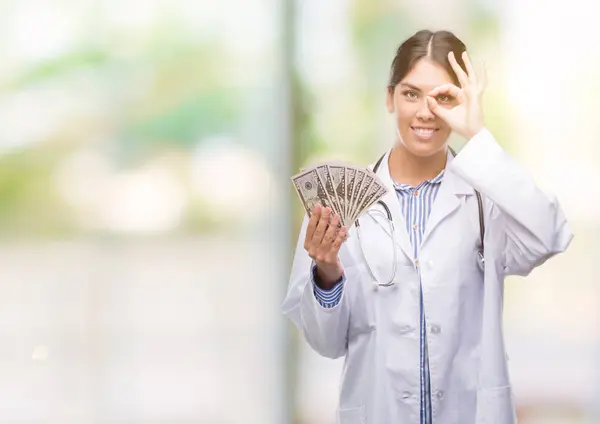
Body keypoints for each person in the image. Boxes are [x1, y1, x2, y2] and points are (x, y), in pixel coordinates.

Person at [281, 29, 573, 424]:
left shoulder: (487, 200)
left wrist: (478, 136)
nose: (425, 112)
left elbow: (551, 233)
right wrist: (327, 274)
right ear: (390, 97)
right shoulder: (340, 207)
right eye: (411, 94)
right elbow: (325, 343)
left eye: (445, 98)